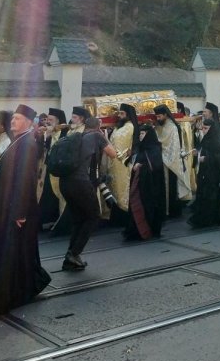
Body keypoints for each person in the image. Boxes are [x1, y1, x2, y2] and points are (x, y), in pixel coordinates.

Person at [0, 104, 51, 316]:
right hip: (4, 205)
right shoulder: (17, 142)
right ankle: (25, 287)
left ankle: (11, 294)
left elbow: (25, 180)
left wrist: (20, 212)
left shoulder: (27, 145)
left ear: (29, 123)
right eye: (13, 118)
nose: (13, 121)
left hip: (13, 209)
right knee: (16, 252)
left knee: (10, 252)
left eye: (18, 119)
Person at [57, 112, 118, 270]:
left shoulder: (77, 136)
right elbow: (113, 154)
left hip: (65, 183)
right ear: (98, 127)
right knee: (92, 216)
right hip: (80, 183)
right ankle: (73, 253)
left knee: (79, 219)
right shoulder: (97, 136)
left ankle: (71, 255)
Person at [123, 109, 167, 240]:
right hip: (140, 184)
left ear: (149, 134)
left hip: (150, 187)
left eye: (143, 133)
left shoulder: (155, 148)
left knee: (148, 208)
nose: (141, 136)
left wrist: (141, 166)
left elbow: (156, 167)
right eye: (140, 133)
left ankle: (147, 231)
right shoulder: (141, 147)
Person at [188, 104, 220, 228]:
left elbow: (219, 157)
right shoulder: (206, 138)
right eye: (203, 128)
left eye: (205, 128)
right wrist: (197, 153)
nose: (203, 131)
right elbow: (203, 150)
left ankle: (208, 219)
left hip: (213, 174)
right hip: (205, 172)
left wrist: (207, 158)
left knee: (210, 196)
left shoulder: (215, 140)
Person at [153, 105, 193, 218]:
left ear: (165, 115)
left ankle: (172, 211)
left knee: (171, 188)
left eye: (159, 116)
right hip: (163, 162)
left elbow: (164, 143)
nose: (158, 118)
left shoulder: (172, 127)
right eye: (156, 116)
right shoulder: (162, 125)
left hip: (171, 163)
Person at [106, 105, 138, 221]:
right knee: (114, 189)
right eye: (119, 114)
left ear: (128, 115)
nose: (119, 116)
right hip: (114, 163)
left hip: (122, 164)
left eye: (122, 114)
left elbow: (119, 144)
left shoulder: (129, 126)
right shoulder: (119, 126)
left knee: (122, 190)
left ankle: (124, 215)